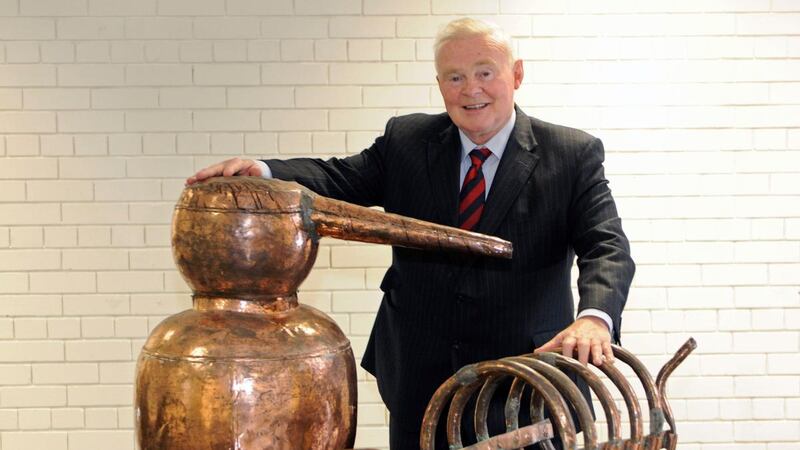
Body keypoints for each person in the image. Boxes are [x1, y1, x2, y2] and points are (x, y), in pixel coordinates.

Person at [187, 18, 634, 449]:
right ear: (440, 85)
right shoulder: (407, 140)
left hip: (524, 381)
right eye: (454, 77)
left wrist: (594, 317)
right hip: (420, 376)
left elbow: (607, 246)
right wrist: (263, 172)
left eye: (484, 73)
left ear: (516, 75)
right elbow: (340, 178)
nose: (470, 89)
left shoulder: (571, 154)